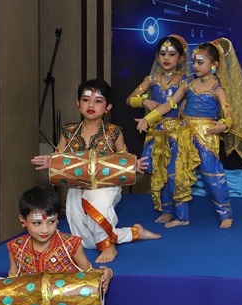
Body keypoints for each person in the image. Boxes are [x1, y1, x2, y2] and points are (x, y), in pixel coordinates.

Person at [31, 79, 159, 263]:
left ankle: (109, 247)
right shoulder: (69, 132)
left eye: (98, 101)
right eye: (86, 100)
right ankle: (134, 232)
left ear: (108, 107)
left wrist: (134, 166)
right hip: (77, 187)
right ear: (78, 103)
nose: (91, 105)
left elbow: (124, 159)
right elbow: (59, 157)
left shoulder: (114, 132)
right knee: (87, 242)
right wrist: (51, 161)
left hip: (107, 187)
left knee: (97, 210)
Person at [138, 39, 242, 229]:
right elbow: (169, 105)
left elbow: (228, 114)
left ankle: (225, 213)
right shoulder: (187, 83)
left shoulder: (217, 89)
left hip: (206, 134)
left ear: (214, 65)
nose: (195, 66)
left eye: (200, 62)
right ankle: (182, 216)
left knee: (211, 174)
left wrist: (223, 126)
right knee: (175, 172)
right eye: (194, 62)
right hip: (184, 132)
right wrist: (149, 118)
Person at [127, 35, 190, 223]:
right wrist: (145, 101)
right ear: (157, 57)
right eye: (162, 53)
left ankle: (182, 215)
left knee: (174, 172)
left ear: (181, 58)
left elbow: (177, 103)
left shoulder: (185, 81)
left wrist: (184, 104)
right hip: (156, 131)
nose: (166, 58)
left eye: (172, 54)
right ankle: (167, 210)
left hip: (177, 132)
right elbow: (130, 99)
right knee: (157, 171)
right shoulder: (152, 79)